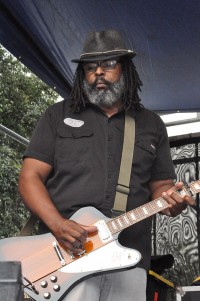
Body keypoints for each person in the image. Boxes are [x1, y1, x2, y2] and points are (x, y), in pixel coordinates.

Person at [18, 29, 194, 301]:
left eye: (108, 64)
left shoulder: (151, 125)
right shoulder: (57, 116)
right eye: (90, 67)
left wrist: (173, 201)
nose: (98, 72)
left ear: (126, 69)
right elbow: (30, 178)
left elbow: (162, 187)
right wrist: (58, 224)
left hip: (128, 258)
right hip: (67, 257)